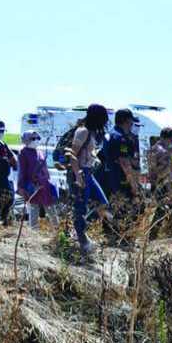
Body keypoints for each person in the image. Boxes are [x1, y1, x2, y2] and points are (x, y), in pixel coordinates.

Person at [69, 104, 112, 254]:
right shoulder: (83, 131)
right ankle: (82, 240)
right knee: (80, 208)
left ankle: (81, 231)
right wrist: (78, 175)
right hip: (80, 172)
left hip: (89, 173)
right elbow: (72, 155)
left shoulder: (92, 133)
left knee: (103, 203)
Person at [100, 108, 143, 244]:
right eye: (131, 121)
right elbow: (124, 164)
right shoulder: (120, 138)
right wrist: (134, 185)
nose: (132, 124)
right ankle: (125, 239)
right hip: (121, 181)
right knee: (126, 209)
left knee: (113, 208)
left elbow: (102, 156)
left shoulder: (110, 135)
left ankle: (112, 237)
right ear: (126, 120)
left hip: (109, 179)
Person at [17, 130, 58, 229]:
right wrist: (21, 187)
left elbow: (45, 168)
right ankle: (34, 232)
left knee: (51, 208)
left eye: (37, 138)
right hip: (33, 186)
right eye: (33, 138)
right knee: (33, 209)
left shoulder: (40, 152)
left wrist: (48, 180)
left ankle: (57, 230)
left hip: (44, 185)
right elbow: (21, 171)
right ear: (26, 140)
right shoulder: (23, 153)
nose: (36, 140)